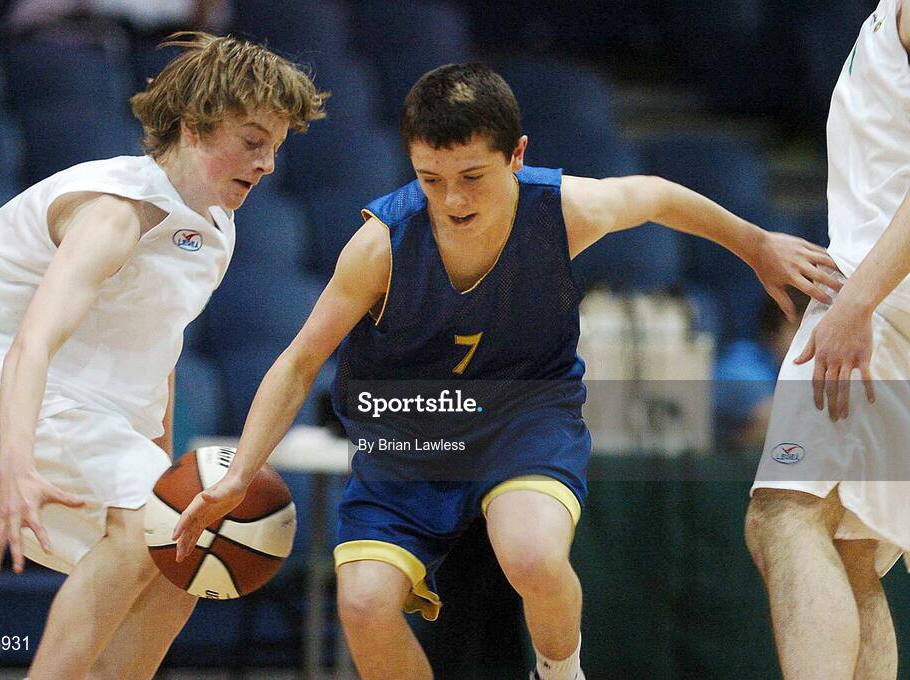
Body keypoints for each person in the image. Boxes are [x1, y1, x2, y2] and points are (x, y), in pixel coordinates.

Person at [173, 63, 838, 680]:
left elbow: (657, 195)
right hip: (412, 436)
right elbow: (297, 363)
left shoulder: (562, 210)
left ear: (516, 156)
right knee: (364, 603)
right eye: (431, 180)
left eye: (472, 177)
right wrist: (239, 474)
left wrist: (756, 244)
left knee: (532, 554)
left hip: (527, 416)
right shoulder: (381, 245)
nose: (453, 200)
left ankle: (559, 672)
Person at [0, 32, 325, 680]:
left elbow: (160, 357)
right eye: (252, 140)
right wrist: (16, 460)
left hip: (70, 395)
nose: (267, 163)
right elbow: (32, 341)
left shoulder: (214, 226)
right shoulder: (117, 209)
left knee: (183, 552)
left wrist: (158, 469)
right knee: (145, 524)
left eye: (276, 146)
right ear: (194, 126)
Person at [744, 1, 910, 678]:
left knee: (785, 512)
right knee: (848, 547)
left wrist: (857, 302)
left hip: (882, 293)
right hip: (883, 288)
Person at [714, 292, 807, 448]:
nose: (814, 338)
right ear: (772, 333)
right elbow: (776, 420)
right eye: (801, 328)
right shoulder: (740, 364)